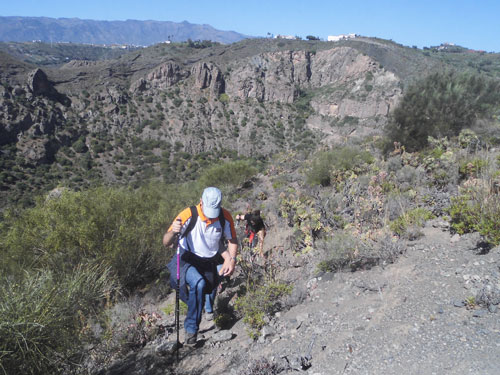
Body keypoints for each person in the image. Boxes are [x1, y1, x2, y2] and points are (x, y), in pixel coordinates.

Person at [163, 187, 238, 346]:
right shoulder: (188, 214)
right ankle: (191, 331)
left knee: (204, 290)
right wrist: (172, 232)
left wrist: (231, 259)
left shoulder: (225, 217)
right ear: (201, 201)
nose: (211, 215)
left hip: (207, 261)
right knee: (198, 284)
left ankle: (196, 313)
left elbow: (232, 240)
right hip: (186, 258)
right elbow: (166, 242)